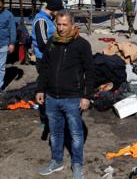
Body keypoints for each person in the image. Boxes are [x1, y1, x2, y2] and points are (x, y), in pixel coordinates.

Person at [36, 10, 94, 179]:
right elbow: (45, 69)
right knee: (55, 132)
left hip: (73, 97)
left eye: (64, 25)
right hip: (52, 97)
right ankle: (56, 161)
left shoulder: (82, 44)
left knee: (76, 134)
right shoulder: (52, 42)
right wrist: (40, 89)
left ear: (72, 25)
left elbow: (90, 72)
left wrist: (86, 96)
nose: (61, 28)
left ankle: (77, 164)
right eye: (58, 24)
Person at [32, 0, 64, 70]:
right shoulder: (41, 20)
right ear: (54, 10)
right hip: (44, 58)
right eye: (59, 10)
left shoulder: (47, 19)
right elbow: (43, 43)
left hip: (49, 56)